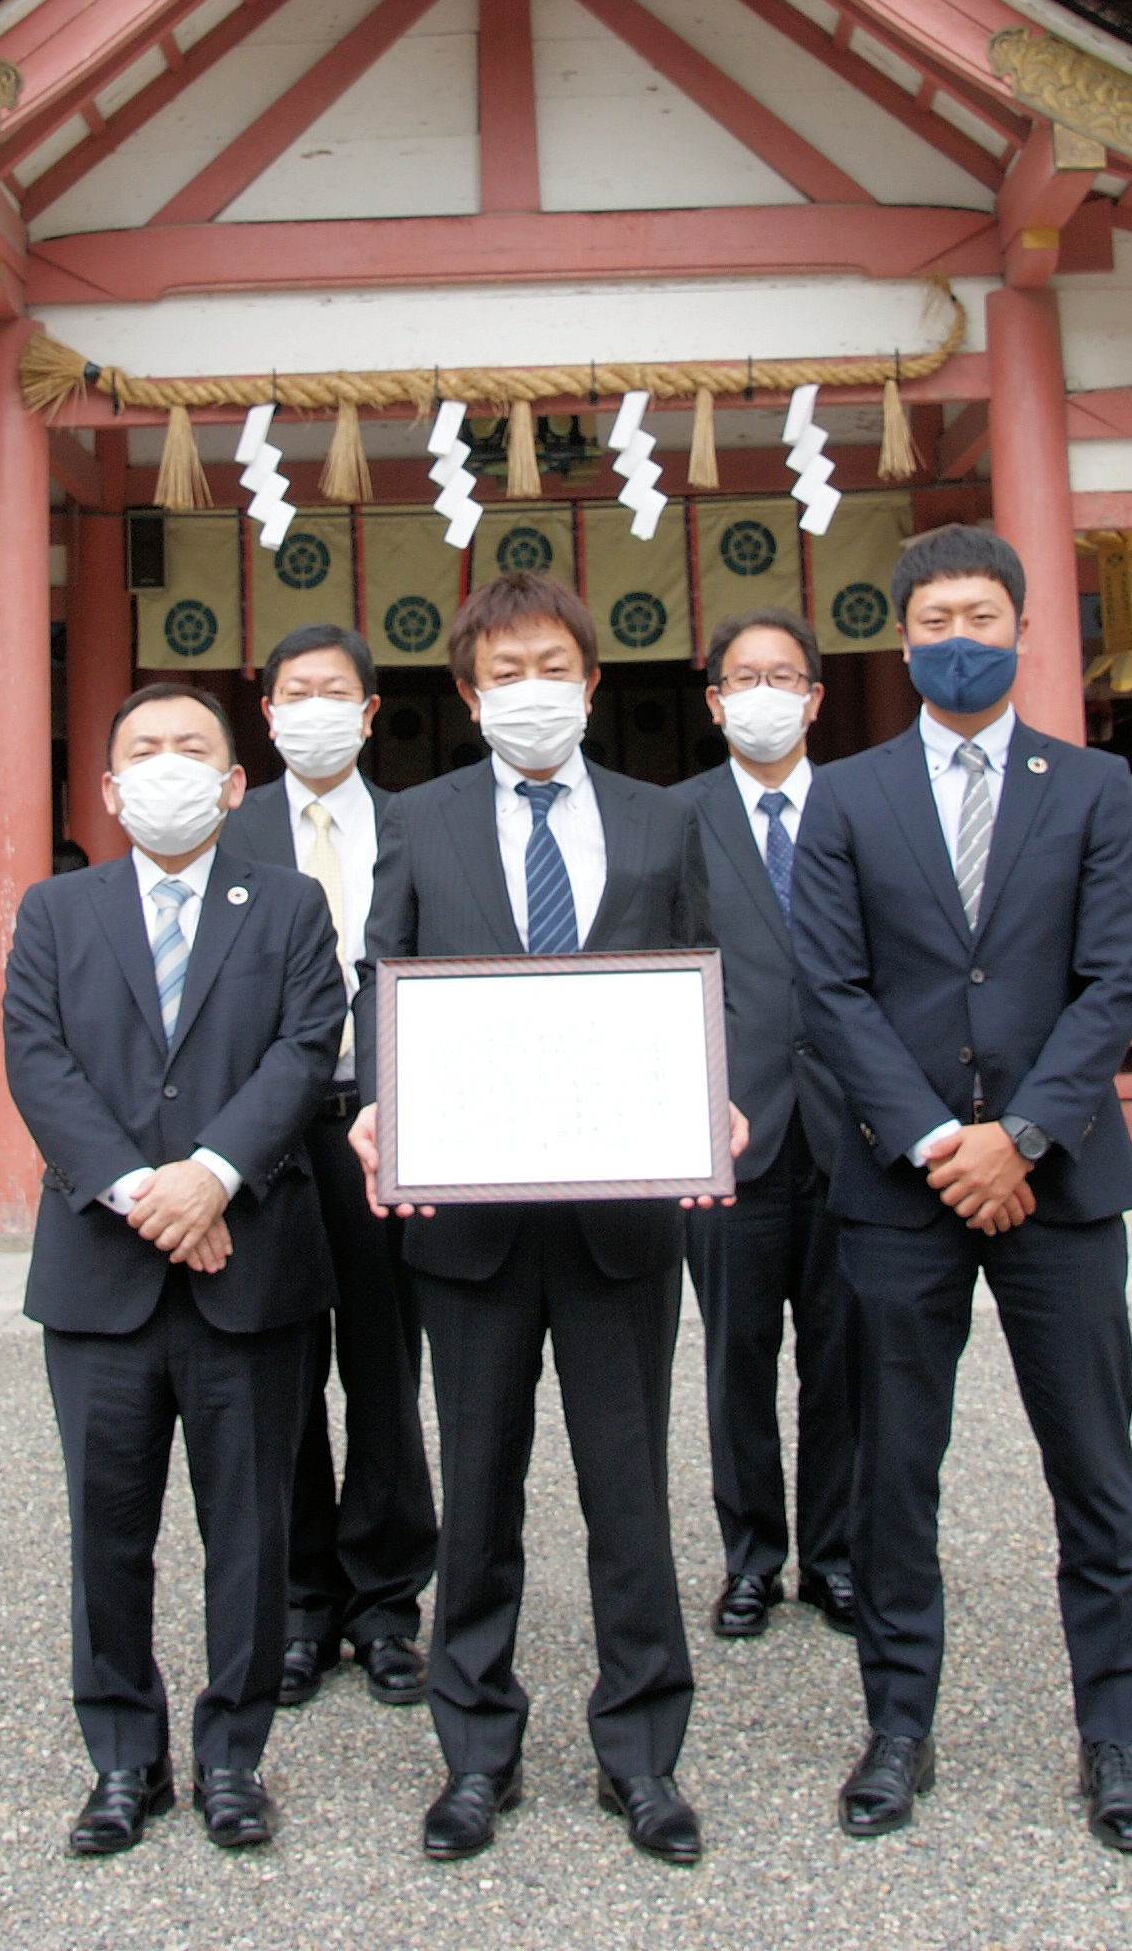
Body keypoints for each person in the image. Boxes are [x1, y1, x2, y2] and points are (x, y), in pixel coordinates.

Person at [784, 525, 1132, 1855]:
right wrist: (944, 1141)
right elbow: (829, 988)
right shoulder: (848, 794)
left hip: (1060, 1183)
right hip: (903, 1189)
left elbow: (1113, 979)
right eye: (936, 615)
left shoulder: (1094, 787)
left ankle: (1111, 1736)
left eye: (983, 615)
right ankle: (898, 1725)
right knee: (894, 1472)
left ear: (1021, 632)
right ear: (904, 638)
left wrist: (1026, 1135)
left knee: (1094, 1471)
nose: (960, 635)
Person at [346, 569, 720, 1869]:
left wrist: (717, 1105)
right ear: (465, 696)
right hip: (471, 1223)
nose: (531, 692)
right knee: (480, 1498)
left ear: (593, 680)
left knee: (630, 1500)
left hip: (624, 1219)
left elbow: (712, 982)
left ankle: (644, 1757)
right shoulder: (419, 824)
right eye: (503, 674)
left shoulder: (666, 825)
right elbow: (380, 985)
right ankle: (475, 1755)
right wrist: (378, 1101)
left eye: (552, 665)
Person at [2, 681, 351, 1859]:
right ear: (106, 789)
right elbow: (38, 1062)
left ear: (230, 781)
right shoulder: (56, 910)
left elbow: (307, 1049)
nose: (165, 766)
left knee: (248, 1530)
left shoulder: (289, 905)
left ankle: (231, 1757)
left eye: (189, 748)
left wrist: (212, 1173)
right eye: (141, 749)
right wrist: (147, 1192)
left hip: (249, 1264)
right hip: (102, 1275)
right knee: (107, 1528)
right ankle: (119, 1757)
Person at [217, 621, 434, 1712]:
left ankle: (388, 1603)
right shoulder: (231, 827)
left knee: (388, 1369)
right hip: (270, 1130)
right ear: (266, 714)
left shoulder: (420, 823)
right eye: (292, 691)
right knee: (280, 1371)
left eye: (333, 691)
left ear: (366, 711)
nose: (312, 708)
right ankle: (302, 1602)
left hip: (389, 1121)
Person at [677, 606, 858, 1643]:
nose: (762, 693)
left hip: (850, 1127)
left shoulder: (861, 809)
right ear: (712, 702)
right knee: (736, 1353)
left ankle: (832, 1554)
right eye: (742, 678)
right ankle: (751, 1556)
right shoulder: (675, 817)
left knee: (842, 1352)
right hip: (728, 1127)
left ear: (814, 698)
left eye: (782, 676)